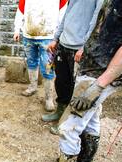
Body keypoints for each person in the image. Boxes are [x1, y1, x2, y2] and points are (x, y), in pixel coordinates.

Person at [42, 0, 122, 162]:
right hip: (93, 64)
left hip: (101, 74)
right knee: (92, 115)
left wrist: (99, 85)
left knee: (69, 126)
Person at [41, 0, 104, 132]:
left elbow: (96, 20)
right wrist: (56, 38)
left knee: (76, 87)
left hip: (79, 48)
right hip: (64, 43)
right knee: (61, 82)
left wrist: (85, 46)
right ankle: (60, 111)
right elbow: (66, 15)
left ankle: (67, 122)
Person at [13, 0, 68, 111]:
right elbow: (20, 11)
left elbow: (63, 15)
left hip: (48, 38)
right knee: (31, 62)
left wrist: (57, 37)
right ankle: (33, 87)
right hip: (28, 36)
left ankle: (49, 98)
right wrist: (16, 30)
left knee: (48, 67)